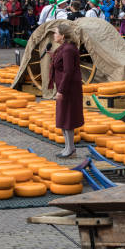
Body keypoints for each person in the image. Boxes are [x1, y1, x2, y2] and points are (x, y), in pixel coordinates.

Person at [48, 23, 85, 158]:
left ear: (63, 36)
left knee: (67, 118)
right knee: (63, 117)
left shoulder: (68, 49)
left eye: (56, 33)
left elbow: (68, 71)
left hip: (69, 89)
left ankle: (71, 149)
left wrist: (61, 91)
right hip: (65, 87)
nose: (54, 35)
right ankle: (68, 147)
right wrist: (53, 56)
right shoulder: (64, 48)